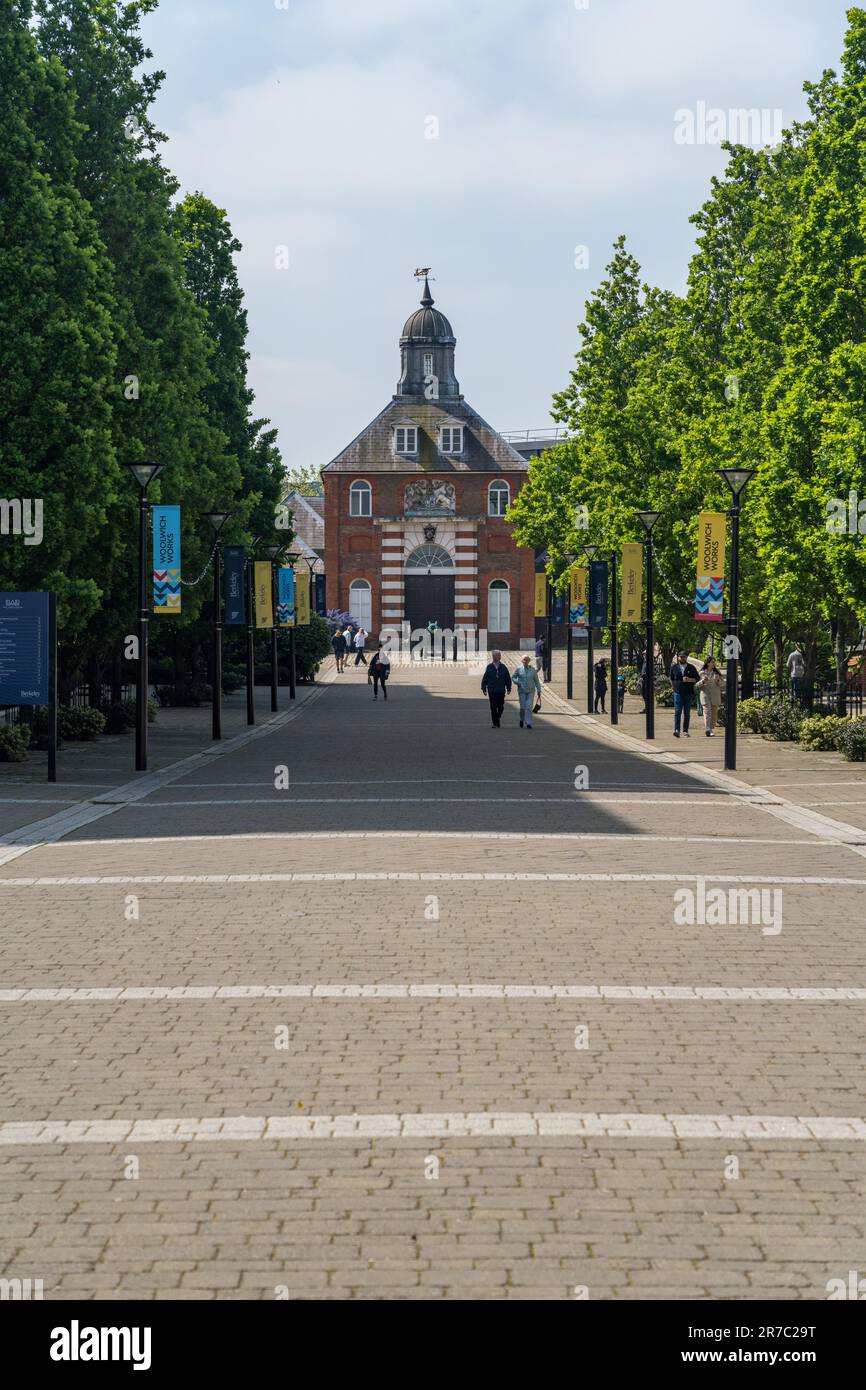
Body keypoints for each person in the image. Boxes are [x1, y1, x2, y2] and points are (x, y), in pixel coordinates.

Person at [669, 649, 700, 737]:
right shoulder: (674, 667)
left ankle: (685, 731)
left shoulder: (691, 667)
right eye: (681, 657)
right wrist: (673, 687)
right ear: (678, 658)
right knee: (677, 711)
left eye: (684, 657)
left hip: (688, 692)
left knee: (687, 712)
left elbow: (697, 678)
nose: (683, 658)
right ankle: (677, 730)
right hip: (677, 692)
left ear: (686, 658)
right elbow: (671, 678)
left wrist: (689, 680)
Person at [481, 649, 512, 728]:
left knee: (501, 706)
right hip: (492, 690)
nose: (499, 657)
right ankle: (494, 722)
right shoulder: (489, 667)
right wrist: (484, 688)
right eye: (498, 655)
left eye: (499, 655)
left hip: (501, 690)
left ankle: (498, 717)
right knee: (493, 706)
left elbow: (507, 678)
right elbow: (485, 678)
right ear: (493, 657)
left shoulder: (503, 667)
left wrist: (509, 688)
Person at [512, 653, 542, 729]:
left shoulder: (533, 670)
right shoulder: (519, 669)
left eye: (527, 660)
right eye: (524, 660)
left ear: (529, 661)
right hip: (522, 691)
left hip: (531, 691)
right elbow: (513, 677)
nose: (525, 661)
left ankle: (528, 723)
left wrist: (539, 690)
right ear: (522, 661)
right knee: (522, 707)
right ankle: (522, 719)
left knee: (529, 706)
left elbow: (536, 681)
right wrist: (517, 682)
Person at [696, 655, 723, 737]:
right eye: (712, 662)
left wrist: (718, 681)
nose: (714, 663)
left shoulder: (717, 672)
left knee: (714, 714)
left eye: (714, 662)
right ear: (707, 663)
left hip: (715, 696)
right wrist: (703, 681)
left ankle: (711, 728)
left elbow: (722, 684)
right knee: (707, 712)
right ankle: (708, 729)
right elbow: (696, 685)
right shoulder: (701, 673)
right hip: (705, 695)